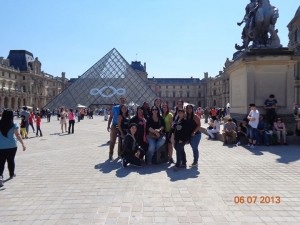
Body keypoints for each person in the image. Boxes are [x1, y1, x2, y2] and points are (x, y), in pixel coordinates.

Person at [0, 109, 26, 187]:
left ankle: (0, 176)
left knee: (1, 162)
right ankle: (11, 174)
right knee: (11, 160)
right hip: (12, 146)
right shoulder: (13, 124)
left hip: (1, 146)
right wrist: (23, 144)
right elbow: (18, 135)